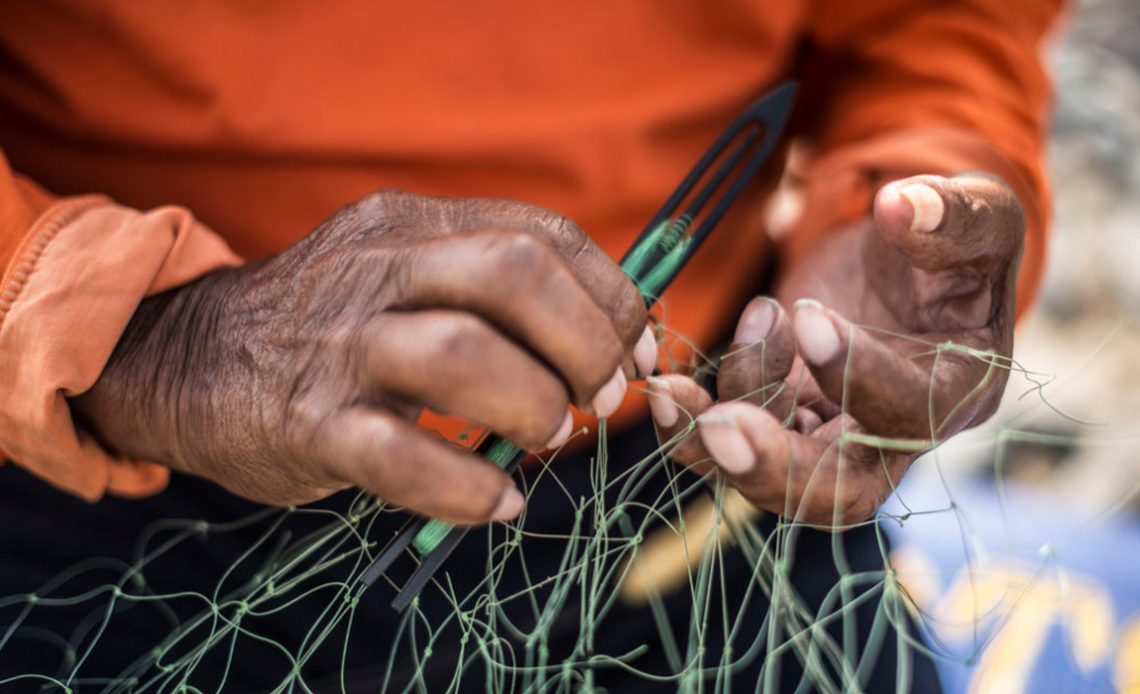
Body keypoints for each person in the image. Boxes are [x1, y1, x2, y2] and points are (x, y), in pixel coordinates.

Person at [0, 1, 1061, 690]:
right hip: (91, 459)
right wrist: (135, 328)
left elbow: (943, 26)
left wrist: (909, 189)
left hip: (692, 466)